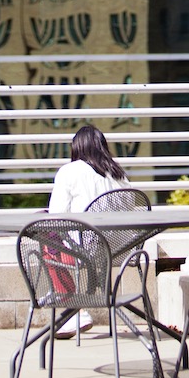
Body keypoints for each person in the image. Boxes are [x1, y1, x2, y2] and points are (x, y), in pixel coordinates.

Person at [47, 125, 130, 338]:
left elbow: (56, 216)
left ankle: (74, 307)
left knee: (46, 238)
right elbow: (132, 210)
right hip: (121, 252)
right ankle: (72, 308)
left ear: (77, 148)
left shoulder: (70, 171)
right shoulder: (119, 175)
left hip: (85, 252)